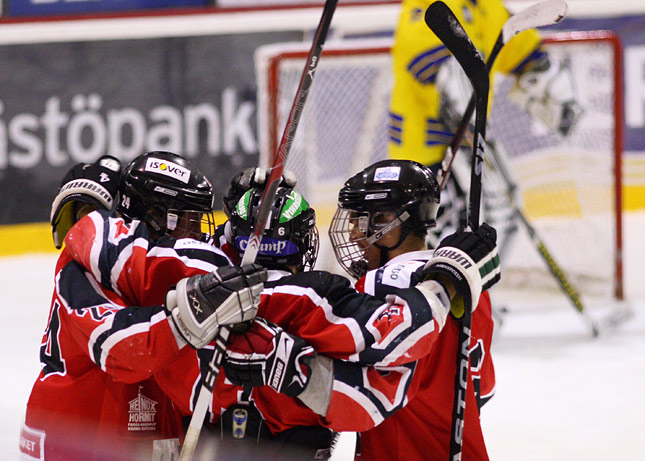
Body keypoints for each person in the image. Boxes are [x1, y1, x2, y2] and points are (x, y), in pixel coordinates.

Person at [223, 160, 501, 460]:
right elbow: (482, 389)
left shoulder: (378, 286)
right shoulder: (467, 283)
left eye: (361, 221)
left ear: (387, 222)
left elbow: (354, 400)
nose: (354, 235)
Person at [20, 151, 265, 461]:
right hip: (72, 443)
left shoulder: (156, 267)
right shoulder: (85, 263)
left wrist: (248, 223)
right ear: (157, 216)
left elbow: (196, 266)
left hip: (134, 439)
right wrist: (191, 316)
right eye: (189, 220)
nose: (199, 234)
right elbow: (122, 350)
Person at [388, 0, 580, 167]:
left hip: (471, 146)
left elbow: (521, 50)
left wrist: (548, 78)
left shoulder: (488, 6)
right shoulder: (428, 5)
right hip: (421, 154)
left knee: (503, 201)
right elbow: (450, 81)